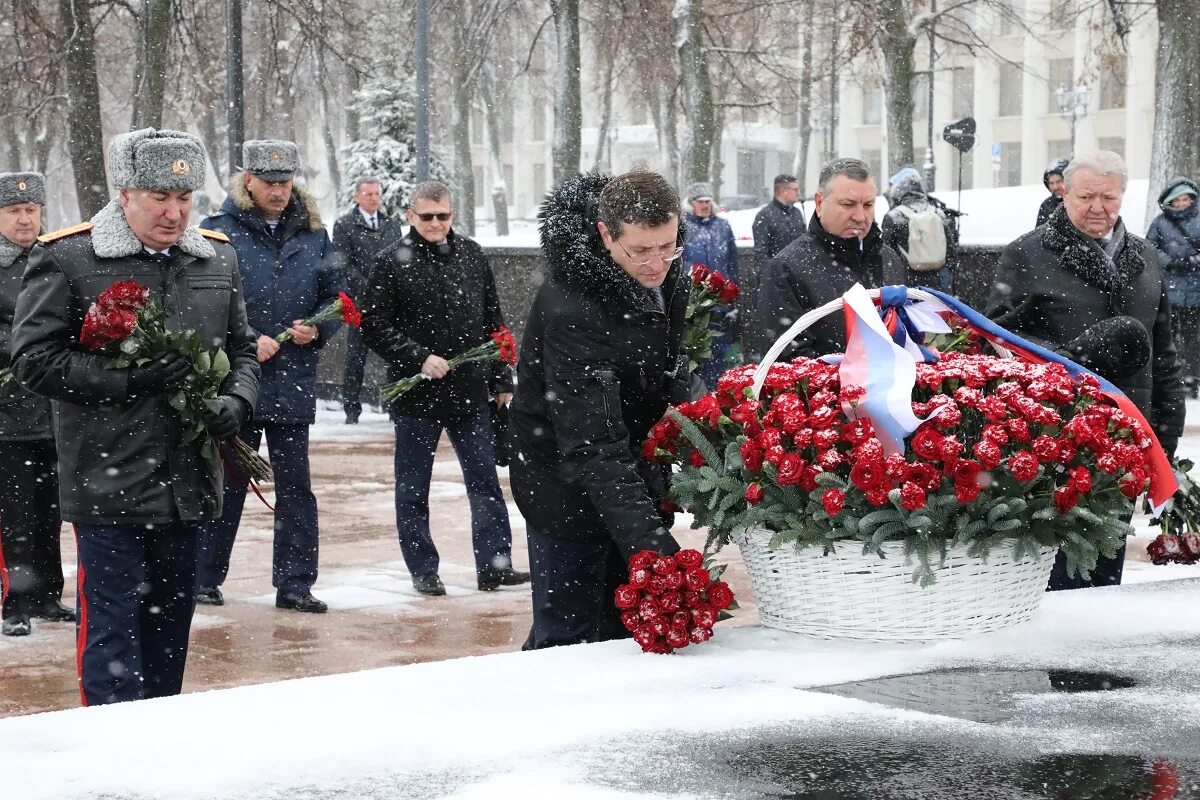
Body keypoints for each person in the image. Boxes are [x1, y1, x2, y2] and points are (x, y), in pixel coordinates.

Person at [11, 128, 259, 704]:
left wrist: (238, 402)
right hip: (109, 480)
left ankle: (160, 753)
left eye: (184, 200)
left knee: (171, 634)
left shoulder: (217, 256)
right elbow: (34, 360)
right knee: (111, 635)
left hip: (190, 481)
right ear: (125, 195)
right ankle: (109, 763)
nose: (174, 213)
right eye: (158, 198)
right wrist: (129, 380)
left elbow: (243, 347)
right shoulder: (69, 256)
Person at [987, 150, 1185, 591]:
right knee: (1049, 580)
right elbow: (998, 341)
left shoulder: (1145, 257)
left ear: (1123, 196)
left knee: (1103, 578)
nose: (1098, 207)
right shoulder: (1028, 253)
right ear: (1064, 194)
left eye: (1109, 197)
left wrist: (1165, 435)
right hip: (1052, 444)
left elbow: (1163, 351)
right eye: (1087, 196)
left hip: (1124, 442)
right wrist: (1076, 359)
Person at [510, 170, 690, 649]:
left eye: (668, 246)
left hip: (624, 473)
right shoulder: (573, 307)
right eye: (641, 251)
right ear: (606, 234)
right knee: (567, 635)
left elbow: (665, 367)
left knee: (621, 631)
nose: (657, 265)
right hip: (564, 484)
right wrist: (650, 545)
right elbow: (593, 443)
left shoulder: (666, 274)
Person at [359, 181, 527, 596]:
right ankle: (423, 568)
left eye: (443, 216)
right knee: (414, 485)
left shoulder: (470, 254)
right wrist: (417, 357)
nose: (436, 223)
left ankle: (494, 564)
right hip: (417, 393)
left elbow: (494, 317)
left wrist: (502, 377)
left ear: (453, 214)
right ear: (410, 216)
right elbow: (374, 325)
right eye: (427, 216)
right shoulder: (390, 262)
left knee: (485, 480)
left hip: (470, 391)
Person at [196, 140, 343, 613]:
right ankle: (204, 576)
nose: (278, 191)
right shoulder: (217, 233)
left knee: (296, 486)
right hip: (239, 379)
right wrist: (248, 337)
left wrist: (315, 328)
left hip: (294, 378)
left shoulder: (316, 235)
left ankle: (296, 583)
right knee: (228, 480)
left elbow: (339, 296)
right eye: (269, 183)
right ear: (248, 181)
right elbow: (203, 302)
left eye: (285, 182)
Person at [0, 172, 72, 637]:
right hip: (7, 410)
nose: (25, 219)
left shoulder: (54, 259)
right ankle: (15, 601)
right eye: (14, 211)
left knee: (51, 507)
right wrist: (30, 349)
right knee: (15, 510)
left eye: (31, 210)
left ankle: (49, 594)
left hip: (54, 411)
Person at [756, 157, 906, 360]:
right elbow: (789, 359)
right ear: (819, 202)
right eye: (848, 204)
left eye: (868, 204)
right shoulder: (785, 269)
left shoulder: (888, 258)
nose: (860, 216)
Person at [333, 176, 399, 423]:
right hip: (360, 302)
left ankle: (394, 406)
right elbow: (343, 263)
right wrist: (369, 286)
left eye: (376, 194)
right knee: (355, 357)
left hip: (388, 303)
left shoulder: (391, 224)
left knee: (395, 355)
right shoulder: (345, 225)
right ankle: (351, 409)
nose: (373, 199)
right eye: (368, 194)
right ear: (357, 196)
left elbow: (398, 258)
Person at [1146, 177, 1200, 398]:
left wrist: (1194, 261)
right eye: (1177, 200)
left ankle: (1192, 378)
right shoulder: (1159, 223)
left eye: (1185, 199)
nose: (1181, 204)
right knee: (1169, 338)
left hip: (1196, 293)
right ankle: (1172, 378)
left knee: (1194, 339)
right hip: (1169, 292)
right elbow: (1150, 248)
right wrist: (1169, 261)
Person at [681, 182, 739, 388]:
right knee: (696, 353)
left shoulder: (722, 226)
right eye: (700, 201)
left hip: (720, 302)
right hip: (693, 305)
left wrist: (733, 296)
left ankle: (716, 390)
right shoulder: (684, 226)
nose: (704, 205)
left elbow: (733, 262)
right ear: (691, 203)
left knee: (718, 351)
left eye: (707, 201)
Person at [882, 169, 958, 292]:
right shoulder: (937, 213)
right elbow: (950, 250)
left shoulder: (894, 216)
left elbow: (886, 251)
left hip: (907, 280)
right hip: (938, 281)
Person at [752, 174, 805, 264]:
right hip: (777, 273)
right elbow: (761, 252)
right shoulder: (765, 216)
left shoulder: (797, 213)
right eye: (795, 190)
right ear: (783, 191)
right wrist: (770, 274)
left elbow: (804, 242)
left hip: (797, 272)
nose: (798, 193)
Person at [1037, 158, 1070, 228]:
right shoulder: (1046, 205)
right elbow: (1039, 233)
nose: (1055, 187)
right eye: (1051, 183)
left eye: (1059, 181)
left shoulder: (1079, 201)